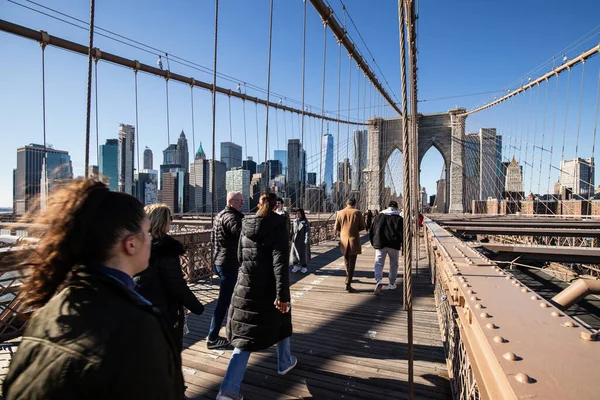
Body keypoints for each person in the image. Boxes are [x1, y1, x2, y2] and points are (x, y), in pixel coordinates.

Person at [2, 180, 184, 399]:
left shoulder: (47, 314)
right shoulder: (137, 327)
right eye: (146, 232)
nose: (150, 239)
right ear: (131, 244)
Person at [217, 193, 296, 400]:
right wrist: (283, 295)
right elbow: (280, 266)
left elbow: (240, 257)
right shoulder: (279, 226)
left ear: (258, 205)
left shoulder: (245, 224)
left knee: (245, 335)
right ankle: (283, 363)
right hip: (267, 288)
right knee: (281, 316)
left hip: (245, 286)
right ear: (277, 205)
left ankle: (228, 390)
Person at [134, 204, 205, 353]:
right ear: (163, 222)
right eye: (170, 219)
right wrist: (197, 307)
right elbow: (176, 284)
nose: (171, 222)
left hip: (140, 307)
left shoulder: (135, 245)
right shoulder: (166, 249)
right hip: (163, 310)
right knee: (168, 352)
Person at [207, 191, 245, 349]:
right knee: (224, 301)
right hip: (228, 263)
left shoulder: (219, 215)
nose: (242, 203)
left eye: (243, 201)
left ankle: (234, 330)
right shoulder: (231, 216)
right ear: (231, 201)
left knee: (231, 299)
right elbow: (240, 232)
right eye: (240, 201)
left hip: (219, 261)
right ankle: (213, 337)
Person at [369, 200, 403, 295]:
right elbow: (403, 234)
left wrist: (373, 243)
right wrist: (403, 246)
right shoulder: (399, 219)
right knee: (394, 264)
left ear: (387, 207)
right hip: (394, 245)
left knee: (378, 263)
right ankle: (391, 283)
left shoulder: (379, 216)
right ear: (396, 208)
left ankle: (378, 281)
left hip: (380, 244)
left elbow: (372, 230)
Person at [334, 198, 366, 292]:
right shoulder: (357, 212)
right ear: (355, 204)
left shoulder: (340, 212)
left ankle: (349, 276)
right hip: (353, 239)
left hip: (343, 240)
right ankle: (348, 282)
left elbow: (337, 227)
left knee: (346, 260)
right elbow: (362, 227)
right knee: (352, 262)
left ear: (346, 203)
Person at [290, 208, 311, 273]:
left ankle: (304, 266)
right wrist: (290, 239)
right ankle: (296, 266)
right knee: (294, 254)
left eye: (299, 213)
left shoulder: (305, 222)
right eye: (296, 213)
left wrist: (306, 239)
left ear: (302, 214)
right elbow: (292, 231)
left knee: (303, 254)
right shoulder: (294, 221)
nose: (298, 215)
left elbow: (307, 231)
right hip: (295, 240)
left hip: (302, 240)